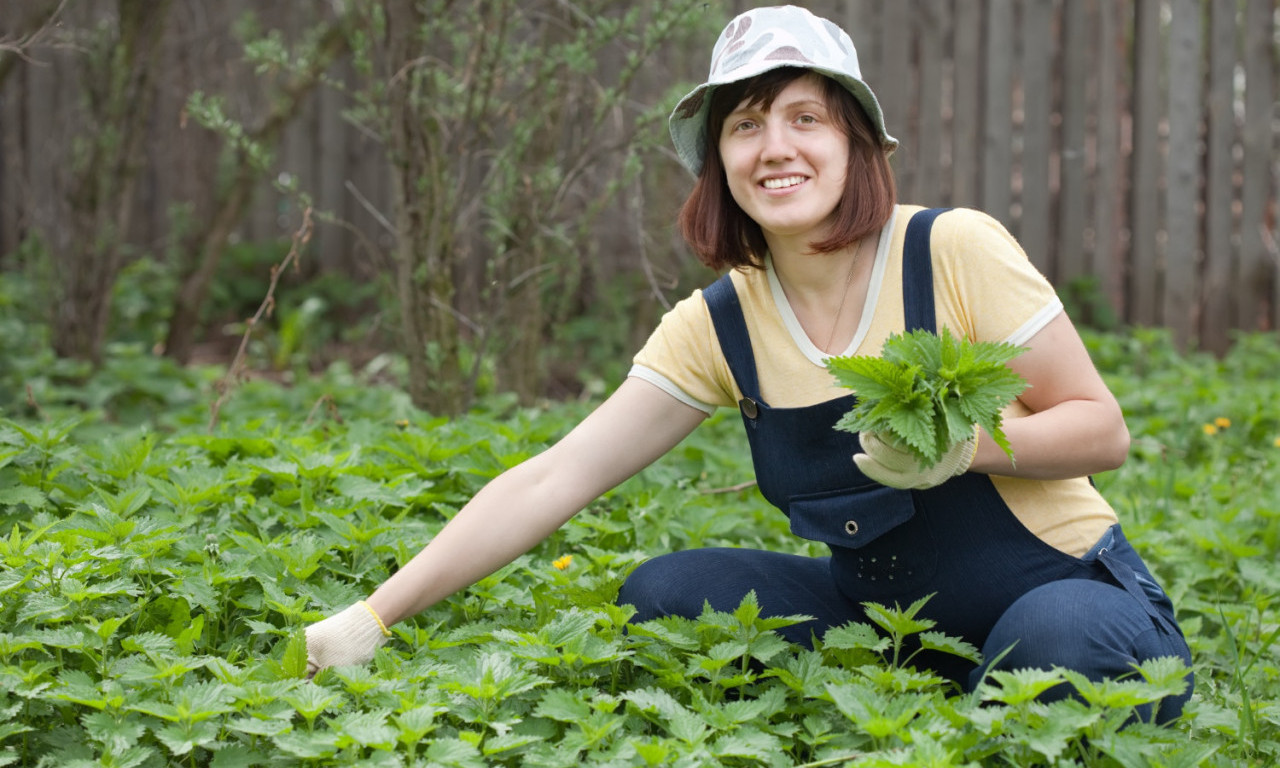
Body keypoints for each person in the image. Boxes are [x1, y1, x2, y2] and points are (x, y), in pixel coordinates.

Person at [305, 5, 1192, 721]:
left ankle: (1009, 695)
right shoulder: (721, 322)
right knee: (665, 592)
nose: (776, 146)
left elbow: (1101, 428)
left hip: (1065, 593)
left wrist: (970, 449)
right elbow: (557, 476)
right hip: (889, 637)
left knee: (1058, 643)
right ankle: (932, 702)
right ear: (717, 160)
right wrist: (376, 614)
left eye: (806, 117)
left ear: (855, 144)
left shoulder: (949, 250)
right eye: (746, 123)